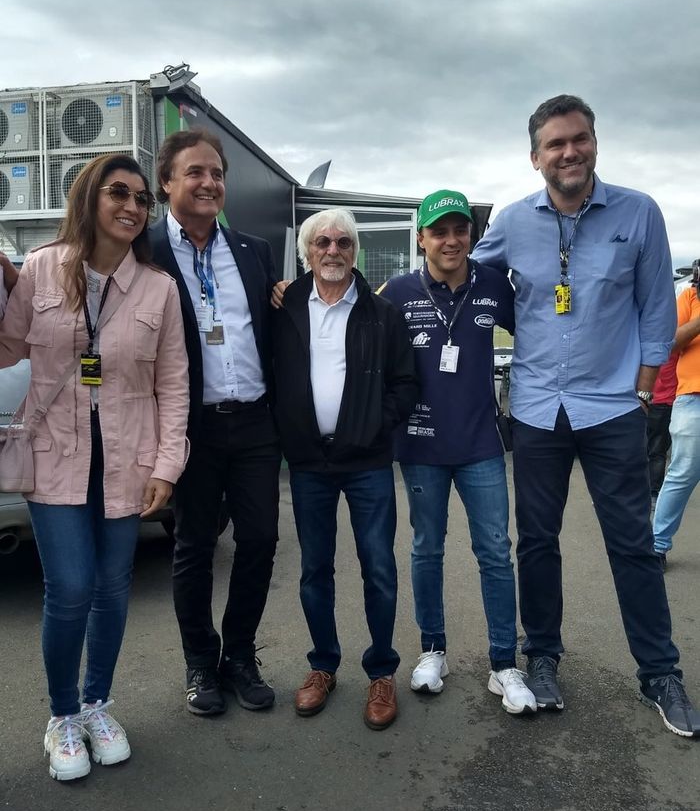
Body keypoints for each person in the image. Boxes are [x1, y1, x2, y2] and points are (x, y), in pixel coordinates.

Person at [472, 94, 700, 737]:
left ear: (594, 141)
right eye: (555, 144)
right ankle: (542, 658)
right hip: (539, 407)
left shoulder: (639, 212)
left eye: (579, 139)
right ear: (536, 156)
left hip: (612, 408)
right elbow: (467, 275)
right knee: (537, 543)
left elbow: (658, 304)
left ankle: (660, 673)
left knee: (632, 543)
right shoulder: (515, 222)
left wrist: (645, 382)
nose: (568, 152)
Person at [0, 154, 190, 780]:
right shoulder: (41, 269)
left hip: (127, 461)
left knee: (112, 591)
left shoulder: (158, 287)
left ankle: (96, 704)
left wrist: (167, 464)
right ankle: (61, 716)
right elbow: (8, 348)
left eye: (141, 198)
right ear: (90, 198)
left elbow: (173, 383)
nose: (133, 207)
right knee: (71, 589)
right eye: (119, 193)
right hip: (56, 455)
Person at [378, 189, 536, 715]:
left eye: (459, 230)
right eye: (439, 231)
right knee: (427, 548)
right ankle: (433, 651)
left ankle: (503, 663)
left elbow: (540, 329)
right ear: (420, 238)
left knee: (494, 550)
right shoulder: (396, 292)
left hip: (481, 446)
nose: (451, 240)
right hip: (420, 446)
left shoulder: (494, 285)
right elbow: (353, 337)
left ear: (471, 234)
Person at [149, 129, 281, 716]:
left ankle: (240, 657)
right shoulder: (144, 252)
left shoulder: (253, 251)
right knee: (195, 546)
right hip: (189, 428)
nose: (209, 183)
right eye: (195, 173)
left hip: (254, 424)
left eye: (217, 173)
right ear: (166, 184)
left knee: (259, 540)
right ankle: (201, 662)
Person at [272, 208, 416, 730]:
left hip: (367, 461)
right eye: (323, 242)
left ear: (355, 251)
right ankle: (323, 665)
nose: (333, 250)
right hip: (309, 460)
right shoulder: (284, 305)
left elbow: (406, 381)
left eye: (344, 243)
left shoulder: (381, 312)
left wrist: (377, 424)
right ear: (307, 251)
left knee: (378, 566)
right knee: (315, 568)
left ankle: (381, 670)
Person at [653, 260, 700, 564]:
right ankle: (657, 545)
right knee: (683, 472)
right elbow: (667, 343)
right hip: (694, 398)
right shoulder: (689, 298)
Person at [646, 352, 678, 511]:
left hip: (646, 398)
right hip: (664, 401)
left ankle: (650, 492)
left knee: (640, 449)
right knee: (657, 451)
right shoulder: (677, 340)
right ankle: (652, 494)